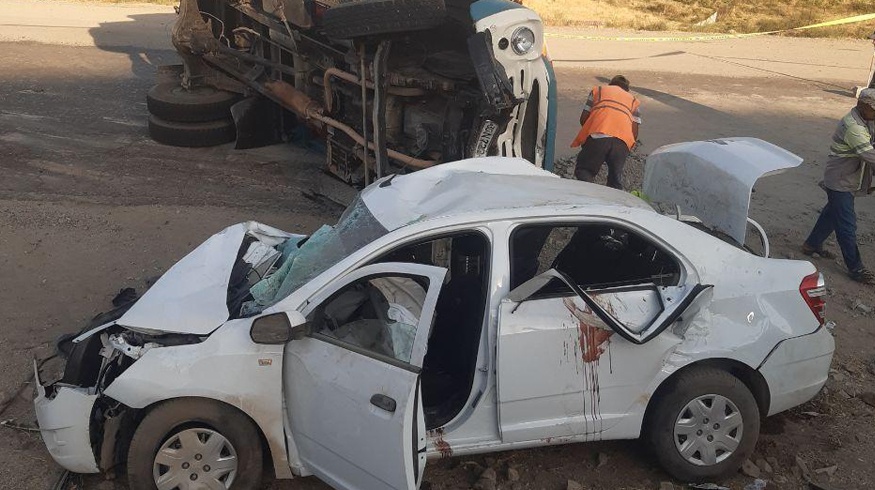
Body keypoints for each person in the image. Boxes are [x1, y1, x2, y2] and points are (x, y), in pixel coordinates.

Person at [801, 88, 875, 285]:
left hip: (847, 177)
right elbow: (870, 155)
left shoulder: (866, 118)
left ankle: (811, 245)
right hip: (840, 180)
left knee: (832, 214)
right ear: (863, 106)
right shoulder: (853, 127)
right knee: (846, 225)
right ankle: (856, 268)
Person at [570, 75, 641, 190]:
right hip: (622, 142)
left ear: (610, 85)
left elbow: (583, 119)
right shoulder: (633, 100)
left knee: (584, 171)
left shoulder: (599, 91)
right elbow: (634, 133)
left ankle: (589, 195)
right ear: (627, 89)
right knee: (615, 181)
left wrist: (591, 136)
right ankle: (613, 199)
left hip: (598, 135)